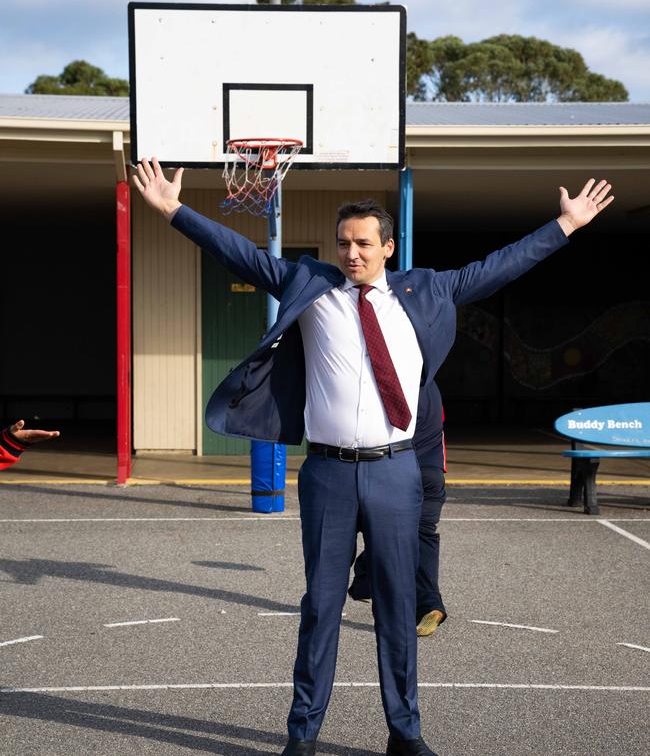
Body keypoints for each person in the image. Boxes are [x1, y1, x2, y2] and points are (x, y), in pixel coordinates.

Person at [133, 157, 612, 756]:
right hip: (328, 473)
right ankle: (302, 736)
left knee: (396, 606)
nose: (351, 253)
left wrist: (564, 226)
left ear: (388, 246)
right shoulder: (312, 285)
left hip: (395, 471)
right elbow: (240, 254)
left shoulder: (430, 289)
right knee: (322, 608)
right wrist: (175, 210)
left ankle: (404, 733)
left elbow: (501, 265)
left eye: (363, 243)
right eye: (343, 243)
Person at [349, 380, 448, 638]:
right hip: (433, 472)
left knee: (387, 537)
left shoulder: (395, 387)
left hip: (403, 472)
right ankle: (430, 604)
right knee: (423, 535)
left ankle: (369, 584)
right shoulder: (433, 390)